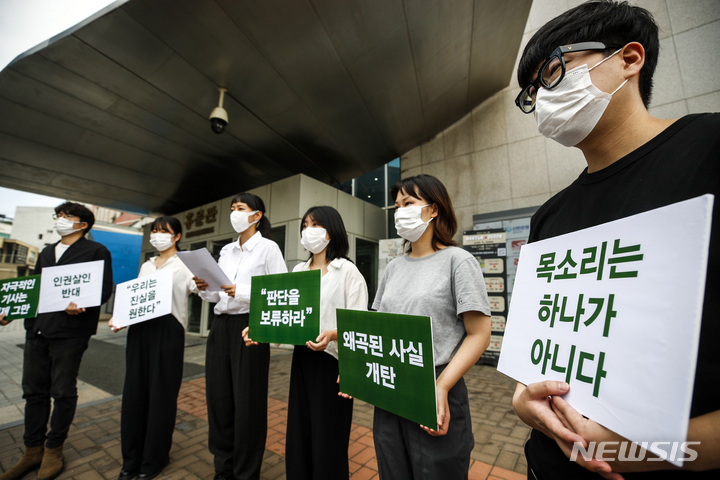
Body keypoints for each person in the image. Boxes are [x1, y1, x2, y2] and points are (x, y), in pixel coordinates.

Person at [511, 1, 720, 479]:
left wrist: (631, 450)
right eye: (531, 92)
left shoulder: (710, 150)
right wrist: (522, 402)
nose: (541, 97)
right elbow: (531, 365)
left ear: (629, 59)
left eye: (553, 71)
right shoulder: (551, 216)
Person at [371, 174, 492, 479]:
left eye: (408, 203)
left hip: (437, 383)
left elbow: (479, 334)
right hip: (390, 385)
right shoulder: (393, 267)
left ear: (433, 209)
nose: (399, 211)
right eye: (396, 205)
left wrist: (442, 386)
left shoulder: (459, 261)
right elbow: (377, 326)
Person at [0, 202, 113, 480]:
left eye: (68, 217)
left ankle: (54, 449)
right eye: (59, 216)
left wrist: (83, 302)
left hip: (70, 332)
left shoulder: (96, 251)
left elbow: (103, 289)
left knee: (62, 391)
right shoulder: (48, 251)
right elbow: (36, 287)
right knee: (33, 392)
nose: (61, 220)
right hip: (38, 329)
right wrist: (11, 312)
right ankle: (31, 450)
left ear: (83, 224)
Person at [193, 193, 287, 480]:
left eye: (241, 208)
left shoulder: (268, 249)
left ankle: (246, 472)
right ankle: (224, 467)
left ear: (256, 215)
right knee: (219, 399)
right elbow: (215, 294)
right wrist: (202, 286)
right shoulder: (225, 250)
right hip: (220, 326)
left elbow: (282, 293)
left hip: (252, 326)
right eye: (232, 208)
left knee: (248, 404)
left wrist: (242, 291)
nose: (234, 213)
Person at [108, 217, 198, 480]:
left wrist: (203, 283)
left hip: (168, 331)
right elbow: (135, 298)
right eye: (155, 231)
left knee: (161, 396)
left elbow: (199, 287)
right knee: (135, 394)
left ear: (177, 236)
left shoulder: (184, 263)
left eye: (164, 231)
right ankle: (131, 460)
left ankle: (153, 460)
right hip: (139, 332)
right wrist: (119, 319)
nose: (158, 235)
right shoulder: (147, 265)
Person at [284, 206, 368, 479]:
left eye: (315, 224)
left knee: (328, 437)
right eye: (305, 225)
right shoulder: (298, 269)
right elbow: (285, 311)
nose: (308, 230)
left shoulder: (348, 271)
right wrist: (258, 328)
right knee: (300, 430)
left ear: (331, 230)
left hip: (334, 364)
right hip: (303, 359)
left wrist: (334, 336)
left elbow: (357, 325)